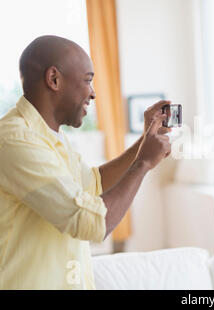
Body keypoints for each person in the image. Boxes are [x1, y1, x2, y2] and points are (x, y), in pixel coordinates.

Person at [0, 35, 171, 289]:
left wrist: (144, 142)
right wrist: (143, 164)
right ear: (54, 79)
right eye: (87, 80)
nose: (93, 93)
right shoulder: (14, 139)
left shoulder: (50, 135)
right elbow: (89, 223)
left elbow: (94, 184)